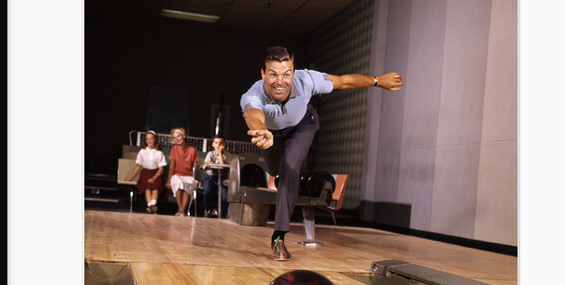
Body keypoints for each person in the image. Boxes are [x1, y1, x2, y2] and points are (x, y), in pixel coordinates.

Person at [240, 45, 404, 260]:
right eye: (273, 74)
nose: (280, 82)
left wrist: (376, 81)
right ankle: (283, 178)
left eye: (286, 74)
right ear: (263, 74)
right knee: (274, 169)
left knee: (290, 165)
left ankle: (279, 236)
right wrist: (261, 130)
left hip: (303, 125)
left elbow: (343, 81)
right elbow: (253, 114)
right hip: (273, 134)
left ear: (293, 71)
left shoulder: (307, 79)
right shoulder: (253, 94)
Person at [126, 130, 167, 213]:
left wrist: (154, 178)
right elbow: (138, 166)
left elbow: (161, 169)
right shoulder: (142, 152)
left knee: (155, 189)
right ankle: (151, 205)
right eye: (147, 139)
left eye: (151, 139)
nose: (149, 141)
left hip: (156, 174)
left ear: (155, 140)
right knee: (147, 188)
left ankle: (151, 205)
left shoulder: (159, 153)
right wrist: (130, 178)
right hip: (145, 173)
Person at [168, 127, 200, 216]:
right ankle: (181, 210)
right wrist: (169, 179)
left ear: (184, 136)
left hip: (189, 175)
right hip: (177, 175)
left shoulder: (192, 150)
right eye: (174, 138)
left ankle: (182, 211)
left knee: (187, 186)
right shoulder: (174, 149)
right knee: (179, 184)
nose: (177, 139)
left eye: (178, 136)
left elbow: (195, 166)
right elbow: (172, 165)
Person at [201, 135, 233, 217]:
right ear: (213, 144)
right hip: (210, 177)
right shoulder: (210, 154)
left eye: (221, 143)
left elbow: (222, 165)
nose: (218, 145)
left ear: (224, 144)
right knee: (207, 192)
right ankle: (207, 211)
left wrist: (220, 155)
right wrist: (209, 162)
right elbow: (207, 163)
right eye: (216, 143)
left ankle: (222, 214)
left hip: (223, 178)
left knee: (224, 196)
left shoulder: (228, 155)